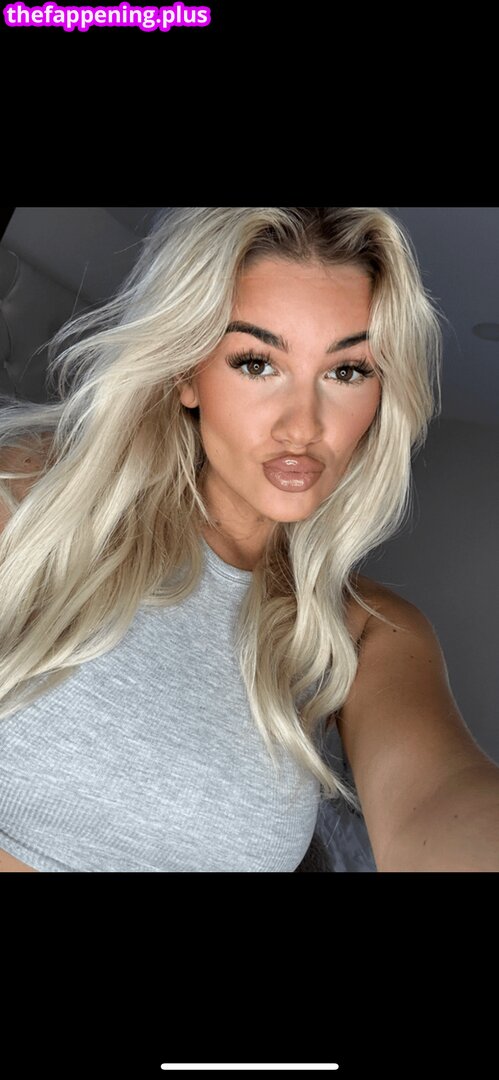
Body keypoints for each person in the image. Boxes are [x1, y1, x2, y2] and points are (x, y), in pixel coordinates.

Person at [0, 206, 498, 874]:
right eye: (257, 363)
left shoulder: (366, 633)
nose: (303, 425)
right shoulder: (36, 496)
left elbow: (436, 803)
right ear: (186, 373)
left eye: (347, 371)